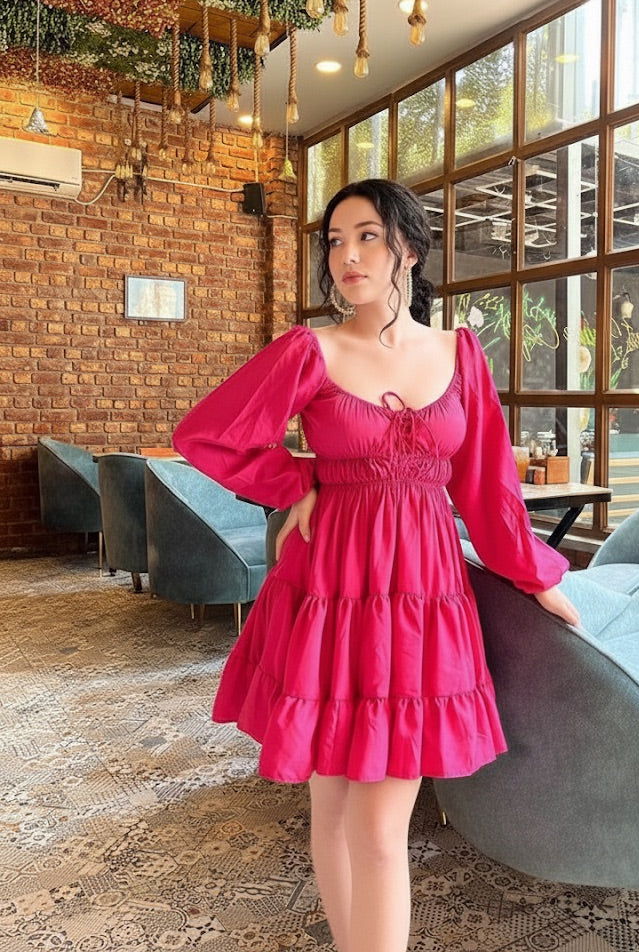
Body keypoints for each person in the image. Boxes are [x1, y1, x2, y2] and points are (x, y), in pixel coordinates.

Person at [172, 178, 579, 952]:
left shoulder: (460, 355)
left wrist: (535, 576)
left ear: (409, 251)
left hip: (422, 600)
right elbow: (210, 435)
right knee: (332, 809)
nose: (346, 255)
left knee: (380, 826)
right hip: (328, 592)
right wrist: (298, 482)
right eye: (333, 240)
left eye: (366, 236)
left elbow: (487, 488)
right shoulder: (310, 349)